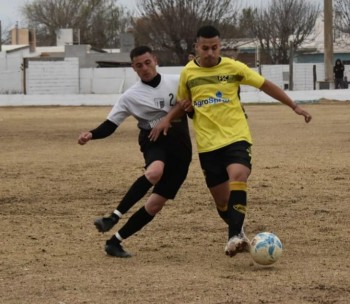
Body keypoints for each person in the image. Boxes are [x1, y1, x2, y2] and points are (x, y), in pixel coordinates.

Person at [150, 25, 312, 258]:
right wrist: (169, 118)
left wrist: (294, 106)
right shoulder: (188, 73)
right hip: (208, 144)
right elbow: (184, 103)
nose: (210, 52)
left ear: (220, 46)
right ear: (196, 47)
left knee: (239, 174)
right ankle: (239, 231)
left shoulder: (234, 67)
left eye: (214, 47)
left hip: (236, 136)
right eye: (205, 48)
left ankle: (234, 234)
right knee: (223, 201)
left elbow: (265, 84)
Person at [78, 46, 192, 258]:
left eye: (147, 62)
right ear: (133, 68)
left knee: (155, 205)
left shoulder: (177, 81)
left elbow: (194, 104)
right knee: (154, 172)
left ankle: (115, 241)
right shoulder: (130, 97)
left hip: (181, 148)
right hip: (154, 141)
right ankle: (113, 217)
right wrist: (91, 134)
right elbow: (111, 125)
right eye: (139, 65)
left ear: (155, 60)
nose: (145, 68)